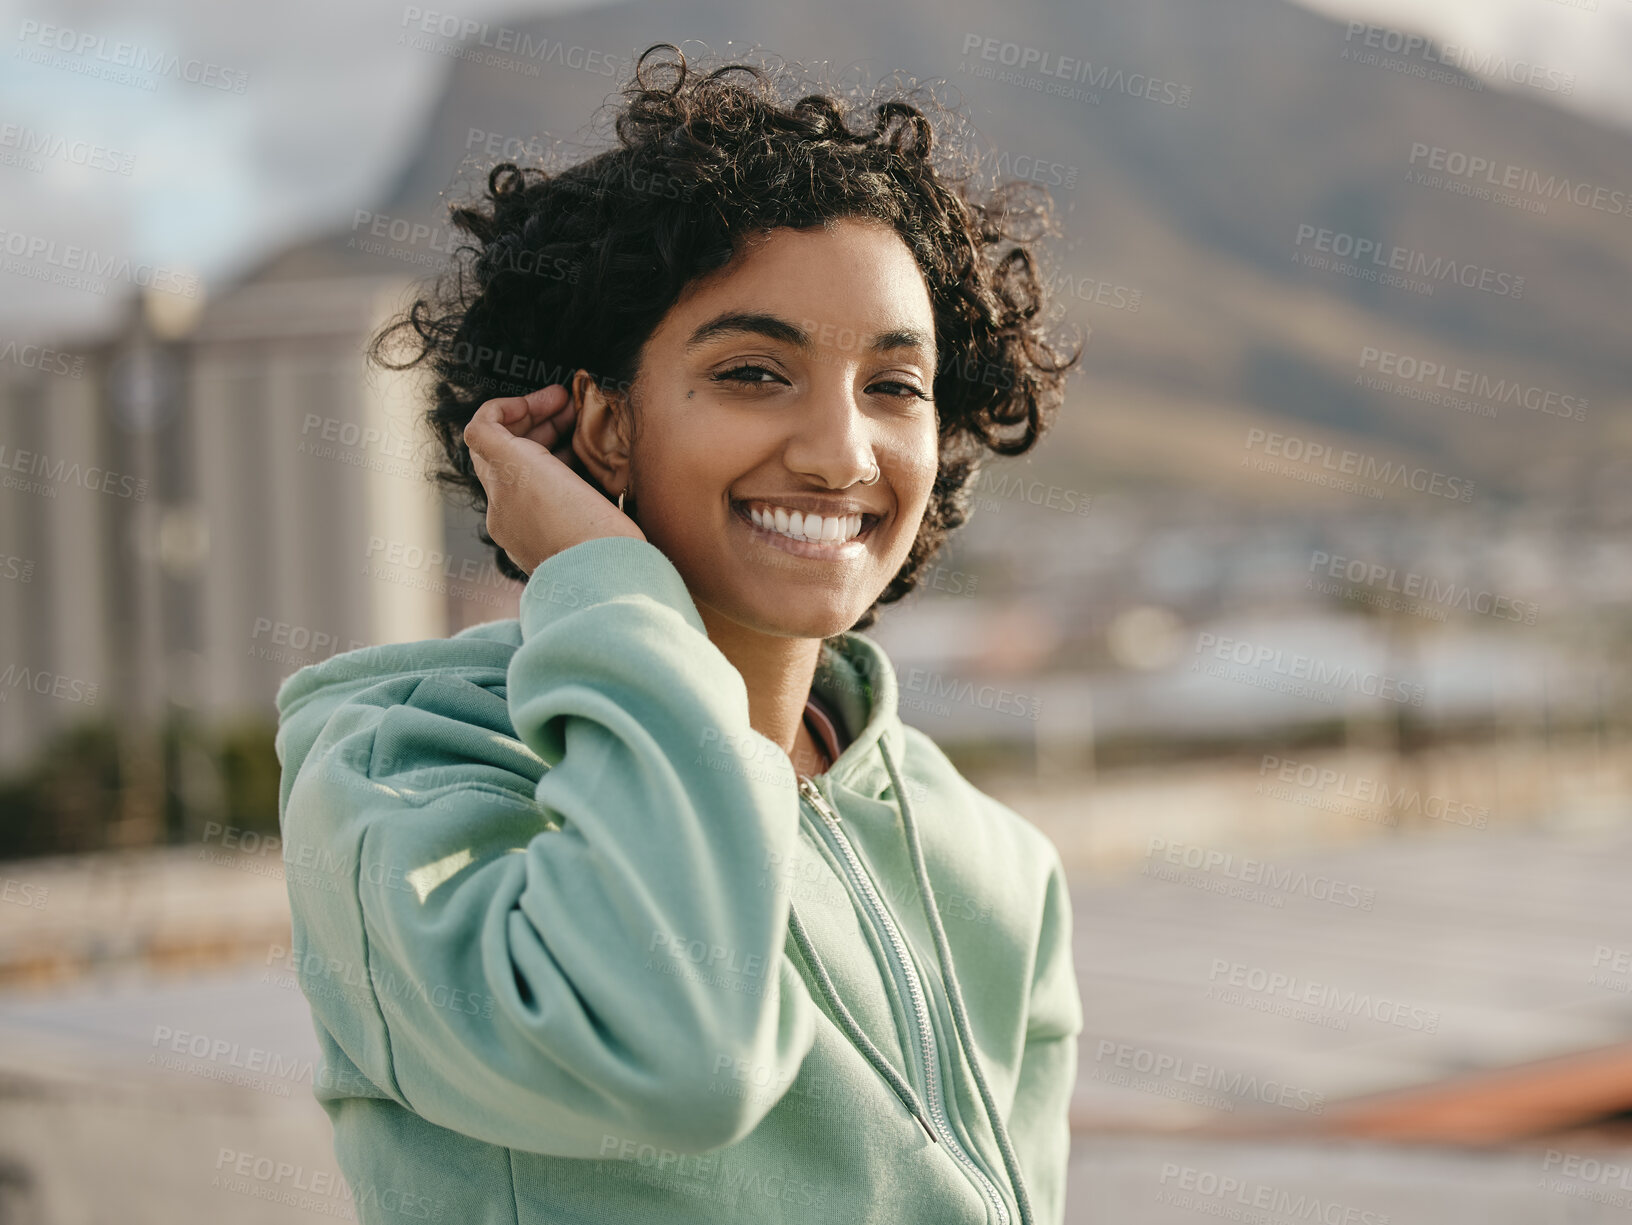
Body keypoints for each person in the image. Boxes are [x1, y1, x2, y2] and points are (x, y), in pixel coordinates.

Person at [276, 42, 1083, 1224]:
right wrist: (602, 577)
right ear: (599, 422)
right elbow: (680, 1052)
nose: (840, 452)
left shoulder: (997, 864)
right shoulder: (404, 785)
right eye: (755, 371)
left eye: (893, 385)